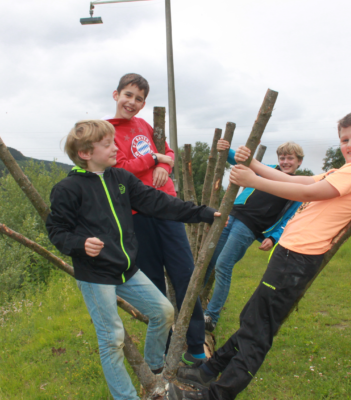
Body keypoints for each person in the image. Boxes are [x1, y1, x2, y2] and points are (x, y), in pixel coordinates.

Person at [167, 111, 351, 400]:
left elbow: (313, 192)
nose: (350, 145)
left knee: (258, 331)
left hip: (298, 259)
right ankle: (207, 371)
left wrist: (254, 181)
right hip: (292, 256)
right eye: (345, 139)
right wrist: (252, 163)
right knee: (253, 318)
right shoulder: (342, 171)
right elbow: (298, 182)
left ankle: (213, 395)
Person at [46, 120, 220, 400]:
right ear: (86, 154)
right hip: (94, 274)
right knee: (112, 338)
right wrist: (79, 243)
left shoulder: (121, 179)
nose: (116, 147)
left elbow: (160, 202)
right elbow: (56, 230)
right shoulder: (68, 189)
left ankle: (154, 367)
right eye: (108, 145)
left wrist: (202, 213)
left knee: (163, 312)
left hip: (126, 269)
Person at [106, 73, 208, 365]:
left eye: (138, 99)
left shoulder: (145, 125)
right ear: (116, 95)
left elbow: (168, 151)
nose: (132, 102)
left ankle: (196, 344)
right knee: (152, 281)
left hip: (167, 206)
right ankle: (161, 350)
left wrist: (166, 162)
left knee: (184, 273)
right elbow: (121, 168)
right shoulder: (108, 130)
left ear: (144, 103)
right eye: (128, 95)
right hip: (137, 213)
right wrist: (154, 160)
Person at [203, 140, 304, 333]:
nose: (285, 161)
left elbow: (289, 218)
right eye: (282, 157)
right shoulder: (269, 170)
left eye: (290, 158)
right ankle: (194, 300)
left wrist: (274, 237)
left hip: (250, 225)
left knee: (224, 265)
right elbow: (244, 161)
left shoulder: (298, 185)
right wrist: (225, 148)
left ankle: (211, 316)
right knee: (210, 258)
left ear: (299, 162)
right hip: (231, 214)